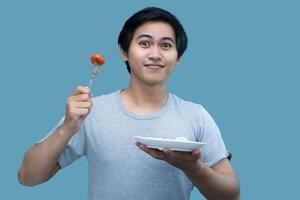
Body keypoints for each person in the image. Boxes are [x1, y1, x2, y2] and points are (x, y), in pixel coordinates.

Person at [18, 7, 240, 200]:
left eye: (166, 45)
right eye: (144, 43)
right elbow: (28, 177)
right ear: (124, 52)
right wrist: (67, 128)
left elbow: (231, 195)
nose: (155, 54)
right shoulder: (90, 111)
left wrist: (193, 168)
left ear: (178, 57)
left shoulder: (196, 116)